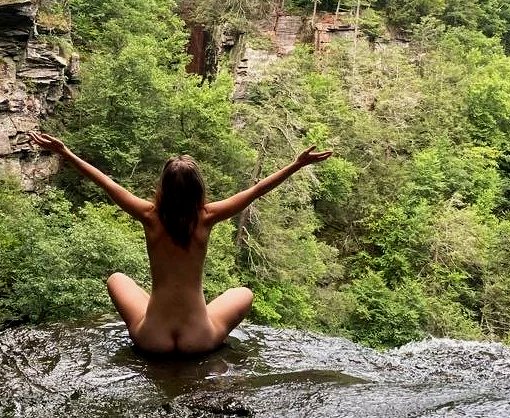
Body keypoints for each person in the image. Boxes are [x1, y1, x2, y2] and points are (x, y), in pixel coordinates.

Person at [28, 132, 332, 354]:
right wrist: (296, 164)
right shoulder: (207, 217)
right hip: (199, 339)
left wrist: (65, 152)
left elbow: (106, 182)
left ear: (163, 187)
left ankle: (160, 316)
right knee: (243, 293)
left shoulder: (149, 215)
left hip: (151, 339)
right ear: (199, 188)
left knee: (116, 278)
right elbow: (256, 191)